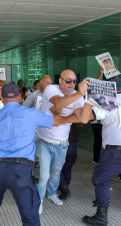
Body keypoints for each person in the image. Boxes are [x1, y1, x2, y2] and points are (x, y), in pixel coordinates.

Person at [0, 83, 68, 226]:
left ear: (2, 99)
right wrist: (56, 111)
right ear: (20, 97)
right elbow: (56, 121)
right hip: (21, 171)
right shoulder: (31, 113)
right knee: (29, 215)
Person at [74, 78, 121, 225]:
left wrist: (88, 99)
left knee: (101, 178)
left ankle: (101, 216)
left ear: (108, 88)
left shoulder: (107, 102)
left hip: (118, 150)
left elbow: (84, 118)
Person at [35, 69, 88, 214]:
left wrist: (62, 119)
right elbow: (58, 102)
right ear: (60, 81)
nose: (72, 84)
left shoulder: (78, 97)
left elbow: (82, 118)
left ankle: (51, 193)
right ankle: (38, 199)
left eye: (74, 81)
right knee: (44, 175)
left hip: (62, 143)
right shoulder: (51, 89)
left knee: (56, 173)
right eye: (68, 80)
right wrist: (79, 94)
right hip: (44, 141)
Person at [58, 123, 80, 200]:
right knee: (67, 167)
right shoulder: (77, 117)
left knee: (57, 168)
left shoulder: (64, 114)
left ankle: (64, 189)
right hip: (74, 143)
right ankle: (65, 185)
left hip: (64, 142)